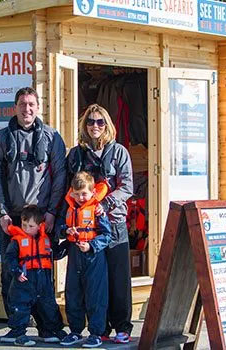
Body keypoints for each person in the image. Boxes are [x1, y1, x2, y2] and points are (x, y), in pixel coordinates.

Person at [0, 87, 67, 343]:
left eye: (31, 104)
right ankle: (16, 328)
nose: (27, 109)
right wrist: (2, 211)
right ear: (15, 107)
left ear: (38, 106)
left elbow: (60, 178)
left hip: (42, 219)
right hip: (13, 220)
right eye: (22, 104)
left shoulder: (53, 138)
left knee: (42, 274)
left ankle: (47, 328)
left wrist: (53, 212)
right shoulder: (1, 138)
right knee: (11, 274)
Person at [66, 104, 134, 344]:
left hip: (112, 225)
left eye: (100, 122)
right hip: (84, 231)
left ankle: (122, 327)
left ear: (107, 125)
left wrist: (106, 204)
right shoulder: (75, 155)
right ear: (84, 126)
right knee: (92, 282)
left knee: (118, 278)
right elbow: (67, 189)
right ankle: (98, 327)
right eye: (90, 122)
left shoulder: (119, 152)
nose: (95, 126)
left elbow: (126, 187)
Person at [56, 171, 112, 348]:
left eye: (84, 193)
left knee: (96, 296)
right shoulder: (69, 208)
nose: (81, 197)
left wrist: (92, 246)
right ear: (72, 192)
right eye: (77, 193)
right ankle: (75, 331)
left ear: (92, 192)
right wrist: (66, 231)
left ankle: (96, 333)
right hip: (74, 255)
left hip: (94, 257)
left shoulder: (97, 210)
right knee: (73, 294)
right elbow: (58, 228)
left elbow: (107, 235)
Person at [2, 205, 67, 347]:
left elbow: (55, 253)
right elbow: (9, 258)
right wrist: (16, 271)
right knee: (21, 305)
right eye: (23, 225)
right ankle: (17, 332)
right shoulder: (16, 241)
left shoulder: (46, 240)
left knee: (48, 305)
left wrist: (68, 244)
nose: (26, 228)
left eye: (30, 225)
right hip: (24, 279)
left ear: (39, 226)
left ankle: (50, 330)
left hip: (43, 278)